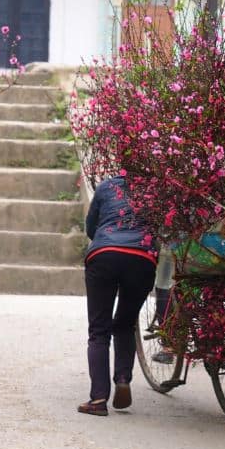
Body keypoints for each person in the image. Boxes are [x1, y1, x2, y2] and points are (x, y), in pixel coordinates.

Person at [79, 176, 158, 416]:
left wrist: (108, 237)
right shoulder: (158, 190)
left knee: (99, 330)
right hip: (143, 259)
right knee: (124, 323)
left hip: (104, 254)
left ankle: (98, 398)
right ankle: (123, 378)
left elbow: (90, 227)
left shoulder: (106, 186)